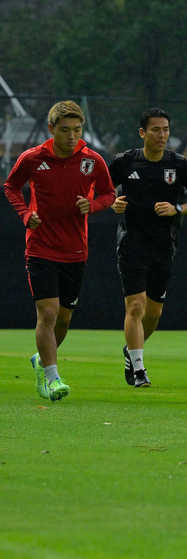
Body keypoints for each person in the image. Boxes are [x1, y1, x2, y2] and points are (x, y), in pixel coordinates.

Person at [3, 100, 115, 401]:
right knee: (48, 313)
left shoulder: (93, 160)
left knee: (63, 320)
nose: (72, 136)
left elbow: (109, 193)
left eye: (77, 130)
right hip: (40, 247)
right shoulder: (32, 157)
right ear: (51, 129)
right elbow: (11, 187)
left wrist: (91, 206)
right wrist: (26, 215)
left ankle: (41, 360)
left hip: (76, 251)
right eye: (65, 130)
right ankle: (53, 379)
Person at [108, 108, 187, 388]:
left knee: (154, 312)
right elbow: (99, 192)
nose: (161, 135)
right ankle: (139, 370)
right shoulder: (125, 162)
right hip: (131, 243)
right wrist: (113, 203)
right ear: (143, 133)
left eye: (165, 129)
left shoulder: (178, 164)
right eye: (155, 130)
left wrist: (177, 208)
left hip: (164, 245)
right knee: (135, 306)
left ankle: (130, 351)